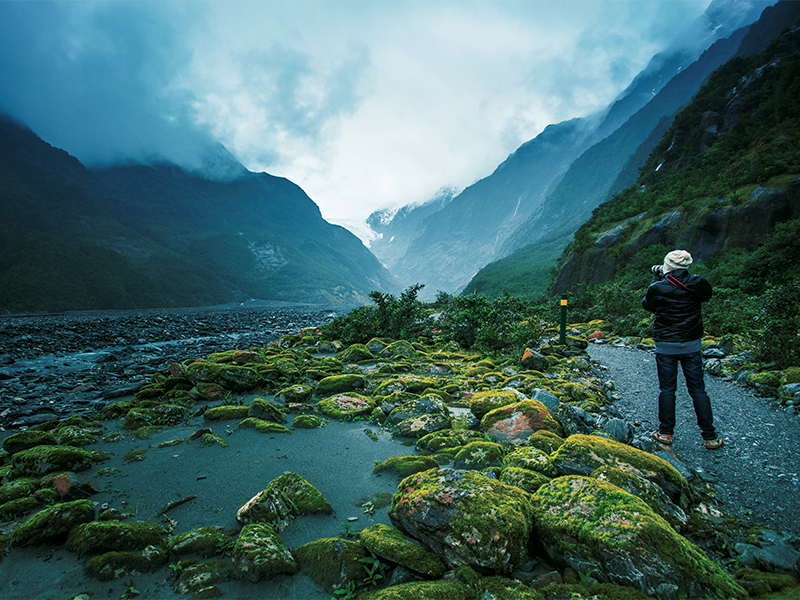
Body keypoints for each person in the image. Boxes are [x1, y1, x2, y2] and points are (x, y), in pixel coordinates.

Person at [641, 249, 723, 449]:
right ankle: (710, 437)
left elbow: (647, 305)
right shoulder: (698, 282)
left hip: (665, 345)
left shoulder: (658, 287)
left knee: (667, 389)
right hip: (691, 345)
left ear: (667, 266)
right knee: (698, 390)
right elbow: (706, 296)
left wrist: (656, 278)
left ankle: (665, 433)